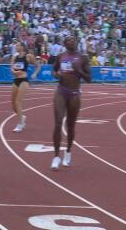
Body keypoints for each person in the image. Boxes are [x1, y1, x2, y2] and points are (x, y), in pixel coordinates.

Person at [50, 36, 91, 170]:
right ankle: (56, 157)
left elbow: (89, 79)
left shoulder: (83, 58)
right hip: (61, 92)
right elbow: (53, 70)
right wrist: (56, 75)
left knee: (70, 126)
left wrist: (78, 70)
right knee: (57, 123)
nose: (71, 41)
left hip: (74, 94)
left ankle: (68, 152)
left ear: (77, 42)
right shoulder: (60, 56)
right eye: (68, 40)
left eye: (73, 40)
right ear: (65, 43)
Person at [10, 40, 40, 132]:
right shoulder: (14, 57)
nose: (16, 47)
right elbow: (11, 69)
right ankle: (21, 116)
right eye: (16, 45)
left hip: (24, 81)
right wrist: (15, 72)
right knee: (13, 105)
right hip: (16, 80)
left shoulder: (28, 56)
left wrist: (35, 74)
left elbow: (38, 66)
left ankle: (20, 124)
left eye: (18, 45)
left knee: (18, 102)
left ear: (22, 47)